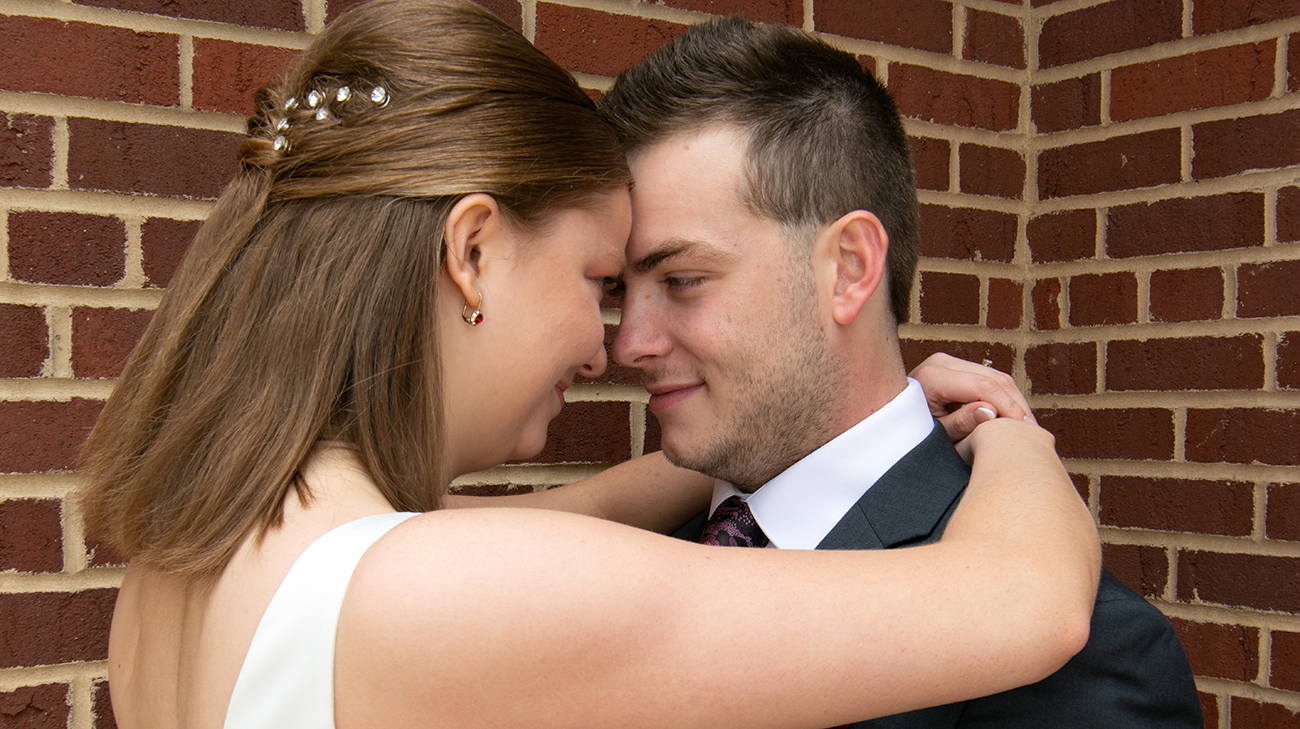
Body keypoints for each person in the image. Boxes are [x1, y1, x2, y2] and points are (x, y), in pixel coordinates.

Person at [78, 2, 1101, 728]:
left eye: (673, 283)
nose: (609, 343)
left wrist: (788, 420)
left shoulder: (196, 544)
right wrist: (1008, 436)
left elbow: (589, 510)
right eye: (598, 279)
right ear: (472, 253)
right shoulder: (435, 592)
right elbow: (1029, 601)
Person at [600, 16, 1202, 729]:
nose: (627, 343)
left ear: (850, 268)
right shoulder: (628, 566)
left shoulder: (1088, 656)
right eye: (616, 293)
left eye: (682, 278)